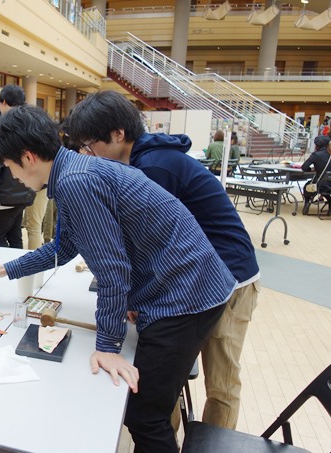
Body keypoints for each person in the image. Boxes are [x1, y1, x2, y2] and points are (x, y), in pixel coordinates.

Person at [0, 105, 235, 453]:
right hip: (184, 287)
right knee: (146, 408)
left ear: (28, 156)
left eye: (10, 167)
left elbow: (113, 270)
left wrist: (107, 346)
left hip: (187, 296)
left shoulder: (75, 181)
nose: (14, 177)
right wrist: (4, 270)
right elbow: (63, 248)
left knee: (145, 416)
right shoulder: (73, 172)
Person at [69, 90, 261, 431]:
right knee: (167, 378)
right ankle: (165, 439)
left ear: (118, 135)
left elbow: (152, 244)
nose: (88, 153)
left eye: (90, 143)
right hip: (195, 279)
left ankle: (214, 443)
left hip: (229, 278)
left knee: (221, 381)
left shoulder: (155, 167)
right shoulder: (142, 162)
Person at [0, 104, 35, 249]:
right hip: (23, 193)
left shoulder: (1, 138)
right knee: (15, 236)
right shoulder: (22, 135)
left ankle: (2, 270)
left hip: (6, 197)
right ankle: (18, 270)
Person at [0, 84, 47, 249]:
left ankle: (35, 271)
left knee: (33, 226)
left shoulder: (13, 125)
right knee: (27, 227)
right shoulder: (31, 117)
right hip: (37, 185)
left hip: (37, 186)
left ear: (3, 102)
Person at [302, 134, 331, 216]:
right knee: (325, 189)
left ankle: (307, 203)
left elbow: (304, 167)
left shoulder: (316, 155)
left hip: (321, 184)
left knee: (307, 186)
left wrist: (311, 169)